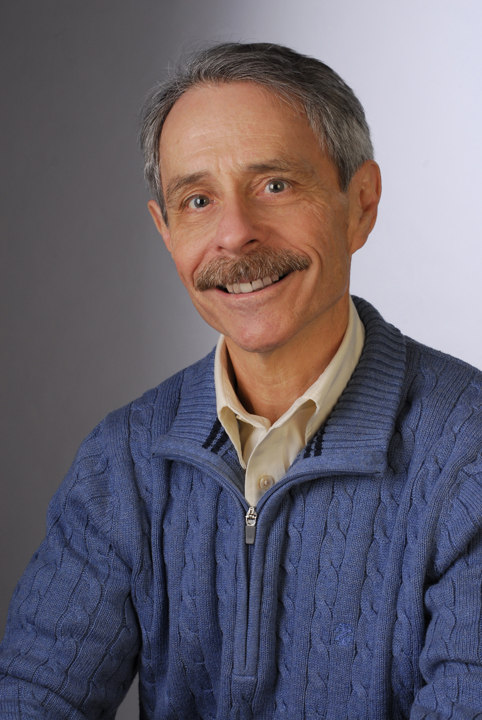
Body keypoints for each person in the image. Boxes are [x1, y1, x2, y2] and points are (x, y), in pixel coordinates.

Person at [1, 42, 482, 720]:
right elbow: (32, 699)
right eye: (197, 200)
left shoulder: (468, 452)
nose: (235, 234)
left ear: (361, 203)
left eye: (274, 186)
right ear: (166, 231)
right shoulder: (124, 462)